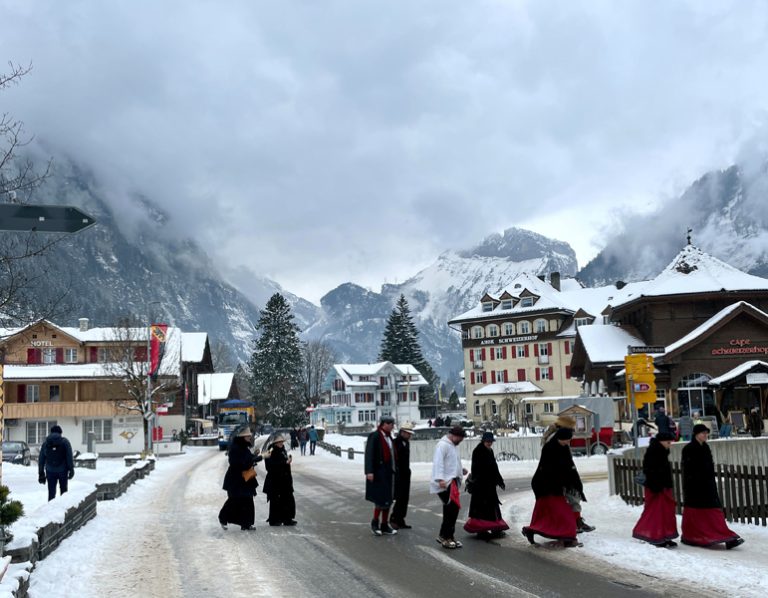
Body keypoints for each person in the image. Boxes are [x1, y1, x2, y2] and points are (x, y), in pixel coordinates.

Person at [680, 424, 744, 549]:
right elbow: (688, 470)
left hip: (708, 485)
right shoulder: (689, 449)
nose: (705, 435)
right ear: (696, 434)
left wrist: (709, 482)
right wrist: (695, 483)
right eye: (703, 433)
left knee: (714, 513)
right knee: (695, 514)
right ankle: (691, 536)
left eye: (706, 433)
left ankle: (726, 537)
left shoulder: (706, 447)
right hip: (695, 487)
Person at [522, 427, 582, 547]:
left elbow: (568, 466)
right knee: (560, 513)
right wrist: (561, 482)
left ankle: (564, 536)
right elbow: (548, 470)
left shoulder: (564, 448)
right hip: (545, 486)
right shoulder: (549, 448)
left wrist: (573, 481)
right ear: (560, 438)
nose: (568, 442)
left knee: (545, 514)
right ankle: (566, 537)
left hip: (555, 486)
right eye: (567, 439)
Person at [541, 415, 594, 533]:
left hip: (564, 472)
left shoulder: (556, 435)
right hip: (561, 475)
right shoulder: (556, 437)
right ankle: (573, 524)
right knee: (570, 498)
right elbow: (555, 459)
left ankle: (575, 522)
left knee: (572, 497)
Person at [632, 432, 678, 548]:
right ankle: (656, 536)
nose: (670, 444)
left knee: (666, 513)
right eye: (668, 442)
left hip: (663, 487)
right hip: (656, 488)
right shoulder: (654, 452)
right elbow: (650, 470)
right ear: (661, 441)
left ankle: (666, 536)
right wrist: (656, 486)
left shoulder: (662, 451)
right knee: (656, 513)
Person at [463, 431, 509, 539]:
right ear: (483, 441)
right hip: (481, 486)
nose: (489, 443)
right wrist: (482, 481)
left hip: (489, 485)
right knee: (481, 509)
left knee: (492, 508)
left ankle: (495, 529)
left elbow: (494, 467)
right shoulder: (478, 451)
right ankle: (481, 530)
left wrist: (499, 480)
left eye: (491, 441)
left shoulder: (490, 451)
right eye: (487, 441)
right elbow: (476, 469)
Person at [430, 425, 468, 549]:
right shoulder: (443, 445)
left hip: (452, 481)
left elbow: (452, 463)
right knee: (451, 509)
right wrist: (440, 479)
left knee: (452, 509)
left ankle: (447, 535)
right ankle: (446, 537)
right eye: (460, 439)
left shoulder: (453, 446)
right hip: (445, 482)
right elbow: (438, 463)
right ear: (454, 435)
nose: (460, 441)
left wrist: (460, 470)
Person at [219, 427, 262, 531]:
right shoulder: (235, 448)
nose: (250, 437)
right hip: (236, 479)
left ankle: (246, 524)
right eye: (248, 436)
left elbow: (248, 458)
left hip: (245, 479)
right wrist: (255, 459)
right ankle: (223, 518)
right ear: (242, 437)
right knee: (235, 500)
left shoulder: (244, 447)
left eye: (250, 436)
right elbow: (237, 463)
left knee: (248, 500)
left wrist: (255, 456)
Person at [364, 415, 398, 536]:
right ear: (384, 424)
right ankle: (375, 523)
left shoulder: (389, 437)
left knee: (388, 499)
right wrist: (369, 471)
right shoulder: (375, 436)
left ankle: (384, 524)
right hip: (379, 472)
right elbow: (369, 454)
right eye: (391, 424)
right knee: (380, 500)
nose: (392, 426)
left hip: (389, 472)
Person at [263, 435, 296, 526]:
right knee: (275, 500)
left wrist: (288, 460)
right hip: (275, 480)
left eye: (282, 441)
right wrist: (284, 463)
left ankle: (287, 519)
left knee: (287, 499)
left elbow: (284, 461)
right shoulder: (271, 450)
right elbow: (270, 465)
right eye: (279, 442)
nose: (281, 443)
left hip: (285, 479)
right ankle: (274, 520)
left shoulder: (283, 450)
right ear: (275, 443)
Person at [38, 425, 75, 502]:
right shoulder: (65, 442)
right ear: (60, 433)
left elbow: (41, 459)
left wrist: (41, 473)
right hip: (63, 470)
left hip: (50, 470)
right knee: (64, 492)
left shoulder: (46, 443)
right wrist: (71, 470)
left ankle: (51, 508)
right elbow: (69, 457)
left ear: (51, 432)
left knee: (51, 493)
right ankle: (64, 507)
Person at [389, 421, 415, 530]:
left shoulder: (406, 443)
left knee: (405, 498)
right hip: (398, 474)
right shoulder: (396, 443)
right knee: (399, 497)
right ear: (402, 432)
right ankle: (394, 518)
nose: (409, 436)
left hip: (405, 473)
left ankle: (401, 519)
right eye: (408, 433)